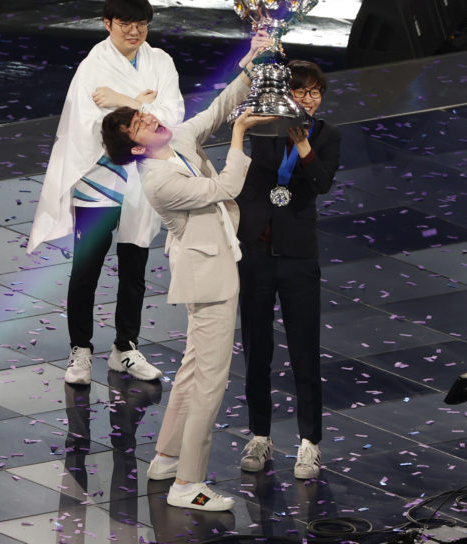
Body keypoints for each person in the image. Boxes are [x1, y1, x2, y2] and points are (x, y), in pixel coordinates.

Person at [100, 32, 273, 511]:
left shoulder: (173, 140)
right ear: (135, 148)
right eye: (140, 124)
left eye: (144, 115)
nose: (150, 119)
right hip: (207, 276)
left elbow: (216, 111)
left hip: (210, 264)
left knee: (195, 370)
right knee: (209, 383)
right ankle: (187, 484)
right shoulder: (160, 181)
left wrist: (251, 63)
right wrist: (240, 135)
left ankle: (166, 458)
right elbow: (226, 187)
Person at [27, 0, 184, 386]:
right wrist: (144, 106)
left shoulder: (160, 61)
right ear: (107, 23)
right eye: (125, 23)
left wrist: (123, 100)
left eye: (141, 24)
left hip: (143, 179)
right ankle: (80, 349)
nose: (135, 31)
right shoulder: (92, 66)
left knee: (134, 268)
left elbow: (172, 118)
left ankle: (125, 348)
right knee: (86, 269)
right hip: (99, 179)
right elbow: (100, 128)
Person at [235, 60, 341, 480]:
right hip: (257, 253)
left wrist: (304, 146)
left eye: (315, 92)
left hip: (298, 254)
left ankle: (309, 443)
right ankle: (259, 435)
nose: (308, 99)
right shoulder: (262, 128)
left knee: (304, 351)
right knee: (257, 349)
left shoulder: (327, 135)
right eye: (300, 91)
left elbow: (322, 183)